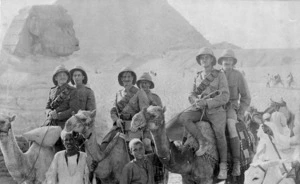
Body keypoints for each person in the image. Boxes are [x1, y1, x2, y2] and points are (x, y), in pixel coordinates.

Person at [177, 47, 229, 179]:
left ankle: (223, 165)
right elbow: (191, 94)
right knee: (183, 118)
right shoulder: (197, 76)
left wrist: (207, 102)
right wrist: (196, 100)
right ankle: (202, 142)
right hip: (199, 110)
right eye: (201, 58)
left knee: (220, 135)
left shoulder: (219, 74)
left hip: (216, 111)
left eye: (206, 57)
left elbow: (225, 96)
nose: (203, 60)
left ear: (212, 59)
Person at [218, 49, 251, 176]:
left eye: (230, 60)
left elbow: (246, 97)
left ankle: (236, 162)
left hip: (231, 107)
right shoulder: (215, 75)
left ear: (233, 62)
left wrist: (241, 113)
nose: (227, 62)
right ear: (221, 62)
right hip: (215, 107)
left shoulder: (238, 75)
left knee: (231, 126)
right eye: (225, 60)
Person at [101, 67, 148, 151]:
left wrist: (136, 123)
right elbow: (113, 110)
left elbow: (144, 111)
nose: (127, 79)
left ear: (133, 78)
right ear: (121, 79)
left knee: (133, 150)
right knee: (104, 144)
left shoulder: (140, 92)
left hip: (134, 129)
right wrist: (116, 120)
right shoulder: (118, 94)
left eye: (129, 76)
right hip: (119, 127)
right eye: (124, 77)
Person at [45, 65, 80, 151]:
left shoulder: (73, 90)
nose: (62, 77)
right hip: (51, 122)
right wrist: (49, 112)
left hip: (66, 123)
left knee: (64, 145)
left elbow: (74, 110)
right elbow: (47, 107)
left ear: (68, 77)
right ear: (55, 78)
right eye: (60, 75)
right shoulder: (52, 90)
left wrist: (58, 115)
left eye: (64, 75)